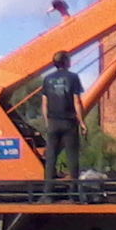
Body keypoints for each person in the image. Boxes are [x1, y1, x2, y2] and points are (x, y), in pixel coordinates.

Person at [41, 50, 85, 200]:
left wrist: (48, 123)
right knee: (72, 158)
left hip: (53, 123)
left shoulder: (47, 79)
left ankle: (48, 194)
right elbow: (77, 102)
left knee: (51, 158)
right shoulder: (73, 78)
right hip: (69, 123)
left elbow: (44, 104)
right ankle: (73, 194)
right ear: (66, 61)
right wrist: (82, 121)